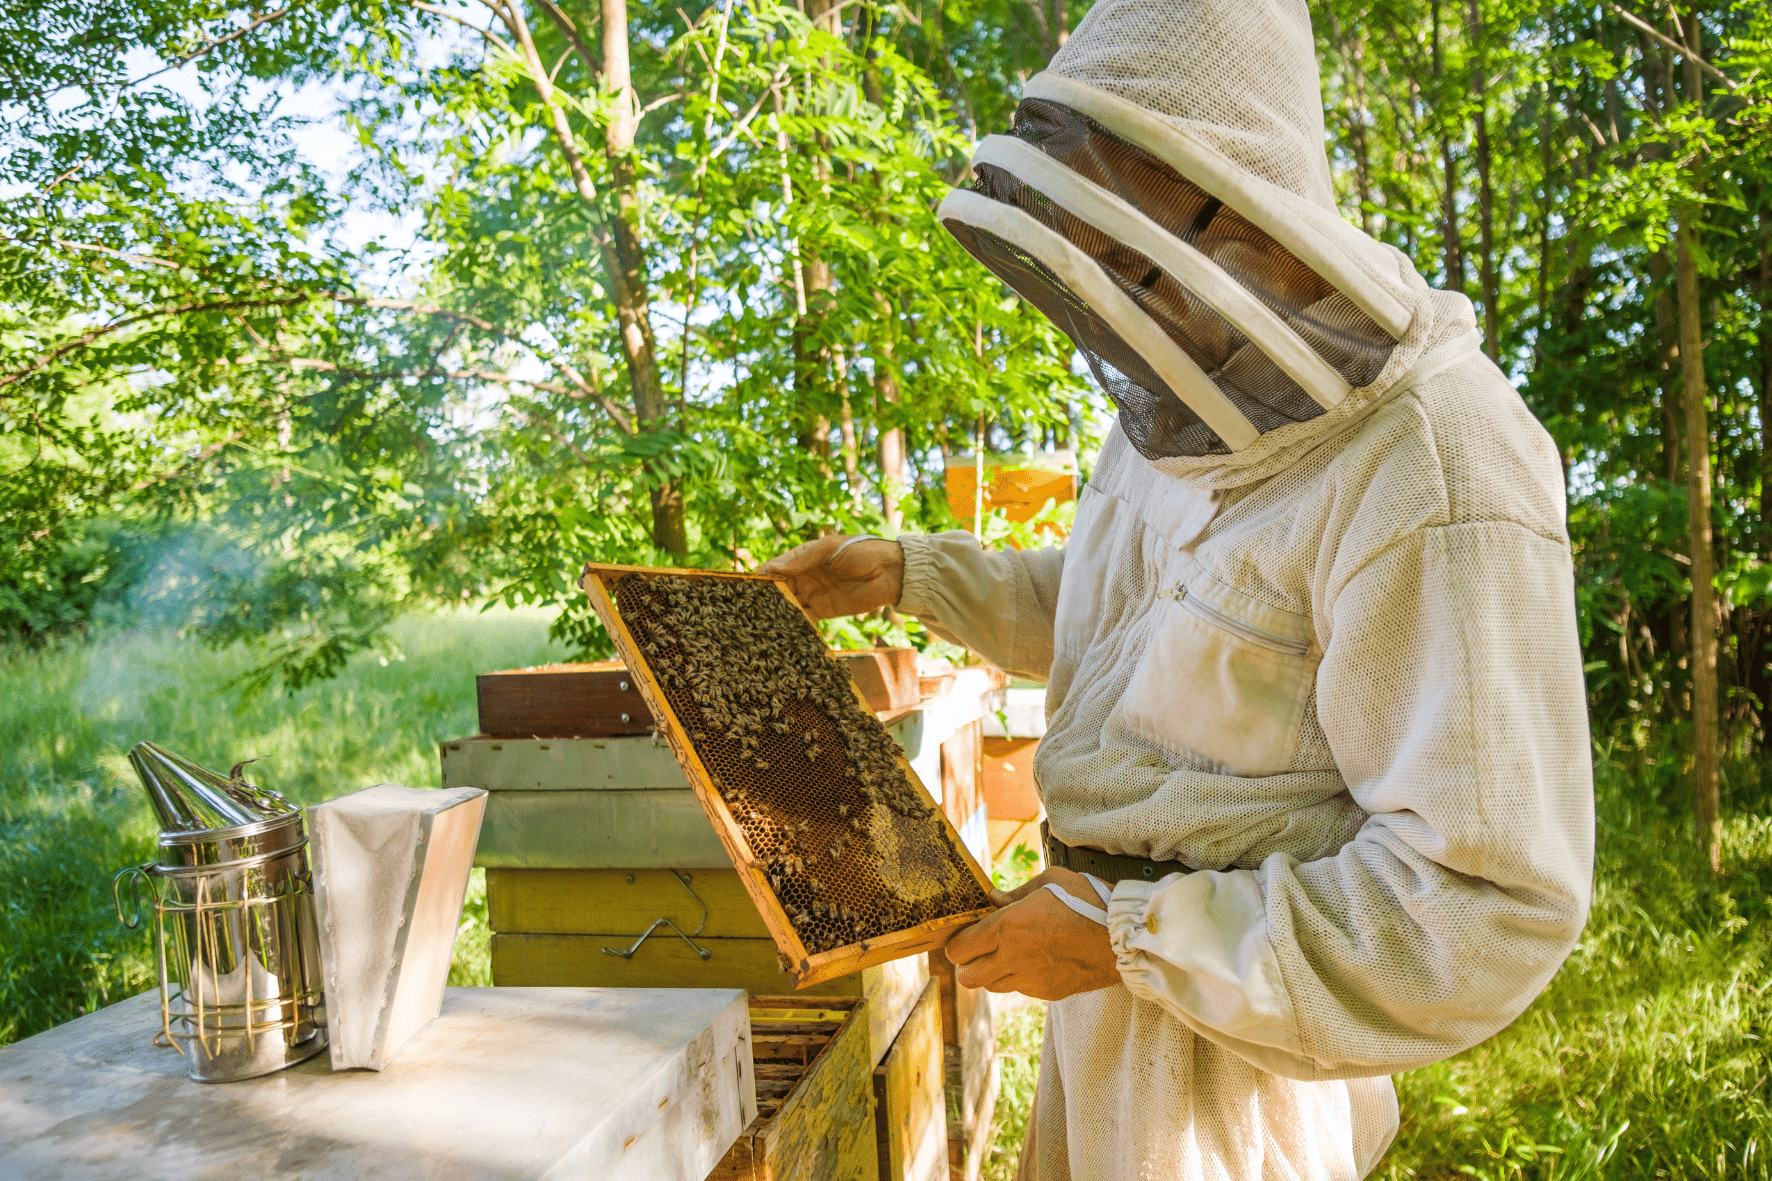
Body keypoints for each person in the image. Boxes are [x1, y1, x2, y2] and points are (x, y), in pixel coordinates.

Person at [762, 0, 1593, 1177]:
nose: (1116, 301)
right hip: (1104, 1002)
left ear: (1245, 200)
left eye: (1133, 255)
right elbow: (1136, 624)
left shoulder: (1435, 467)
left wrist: (1126, 940)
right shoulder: (1178, 410)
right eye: (1091, 257)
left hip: (1240, 1061)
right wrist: (912, 573)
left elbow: (1484, 900)